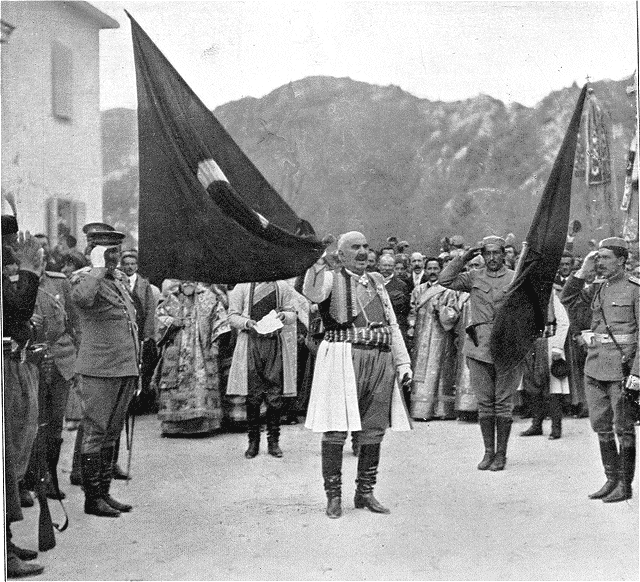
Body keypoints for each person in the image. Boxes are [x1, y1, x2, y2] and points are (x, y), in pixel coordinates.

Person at [303, 231, 412, 518]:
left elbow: (392, 324)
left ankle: (365, 492)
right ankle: (334, 496)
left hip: (380, 358)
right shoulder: (330, 278)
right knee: (336, 427)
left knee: (373, 428)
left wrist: (403, 363)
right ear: (341, 254)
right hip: (342, 357)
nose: (363, 252)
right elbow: (312, 293)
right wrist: (318, 259)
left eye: (365, 246)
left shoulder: (377, 281)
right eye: (355, 247)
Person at [561, 238, 638, 503]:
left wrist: (637, 373)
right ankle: (611, 479)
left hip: (621, 368)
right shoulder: (598, 287)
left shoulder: (635, 290)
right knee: (601, 425)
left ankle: (625, 485)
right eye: (598, 258)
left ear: (621, 260)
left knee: (623, 427)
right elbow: (567, 298)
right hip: (595, 366)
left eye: (605, 258)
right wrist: (583, 271)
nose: (600, 263)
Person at [71, 229, 138, 517]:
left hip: (123, 367)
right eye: (108, 252)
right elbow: (82, 300)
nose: (115, 258)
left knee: (112, 432)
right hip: (99, 369)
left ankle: (104, 493)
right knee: (96, 432)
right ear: (94, 253)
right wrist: (97, 268)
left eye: (116, 252)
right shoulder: (84, 279)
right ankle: (92, 498)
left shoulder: (117, 281)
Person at [439, 235, 521, 471]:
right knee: (484, 403)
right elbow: (445, 279)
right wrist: (464, 257)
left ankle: (501, 455)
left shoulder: (515, 277)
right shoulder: (474, 276)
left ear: (504, 254)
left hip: (507, 346)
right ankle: (488, 453)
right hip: (479, 347)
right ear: (482, 255)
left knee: (503, 403)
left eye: (497, 253)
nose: (492, 258)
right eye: (487, 253)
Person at [2, 223, 46, 578]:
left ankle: (6, 542)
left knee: (13, 456)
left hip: (12, 364)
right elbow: (15, 309)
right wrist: (30, 270)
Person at [23, 263, 78, 501]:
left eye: (43, 255)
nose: (40, 261)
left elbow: (74, 321)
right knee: (31, 422)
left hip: (61, 360)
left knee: (55, 423)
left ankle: (49, 478)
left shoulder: (59, 282)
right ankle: (27, 479)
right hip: (30, 360)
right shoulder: (17, 283)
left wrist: (79, 355)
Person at [226, 281, 298, 458]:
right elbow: (232, 316)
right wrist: (246, 322)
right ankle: (253, 442)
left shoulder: (281, 286)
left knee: (274, 394)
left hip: (274, 343)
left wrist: (284, 316)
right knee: (253, 394)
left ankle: (273, 441)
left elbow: (292, 313)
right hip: (250, 343)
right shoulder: (242, 287)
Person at [153, 280, 229, 436]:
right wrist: (172, 322)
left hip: (202, 350)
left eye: (191, 280)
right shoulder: (172, 297)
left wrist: (215, 344)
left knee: (201, 382)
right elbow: (159, 316)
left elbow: (220, 319)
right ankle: (174, 425)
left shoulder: (209, 297)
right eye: (184, 280)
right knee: (175, 384)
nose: (188, 283)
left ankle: (202, 425)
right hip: (177, 348)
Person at [408, 257, 459, 421]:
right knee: (421, 371)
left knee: (440, 370)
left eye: (435, 268)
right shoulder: (418, 290)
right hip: (421, 336)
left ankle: (441, 410)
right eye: (429, 268)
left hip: (440, 336)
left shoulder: (448, 291)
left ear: (441, 270)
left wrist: (441, 309)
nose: (432, 272)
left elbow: (453, 315)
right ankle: (420, 410)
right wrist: (411, 326)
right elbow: (412, 312)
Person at [519, 278, 571, 440]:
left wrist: (557, 347)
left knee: (553, 388)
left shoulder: (552, 295)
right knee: (531, 385)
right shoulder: (523, 296)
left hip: (550, 343)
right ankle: (536, 425)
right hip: (530, 344)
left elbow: (564, 322)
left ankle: (556, 427)